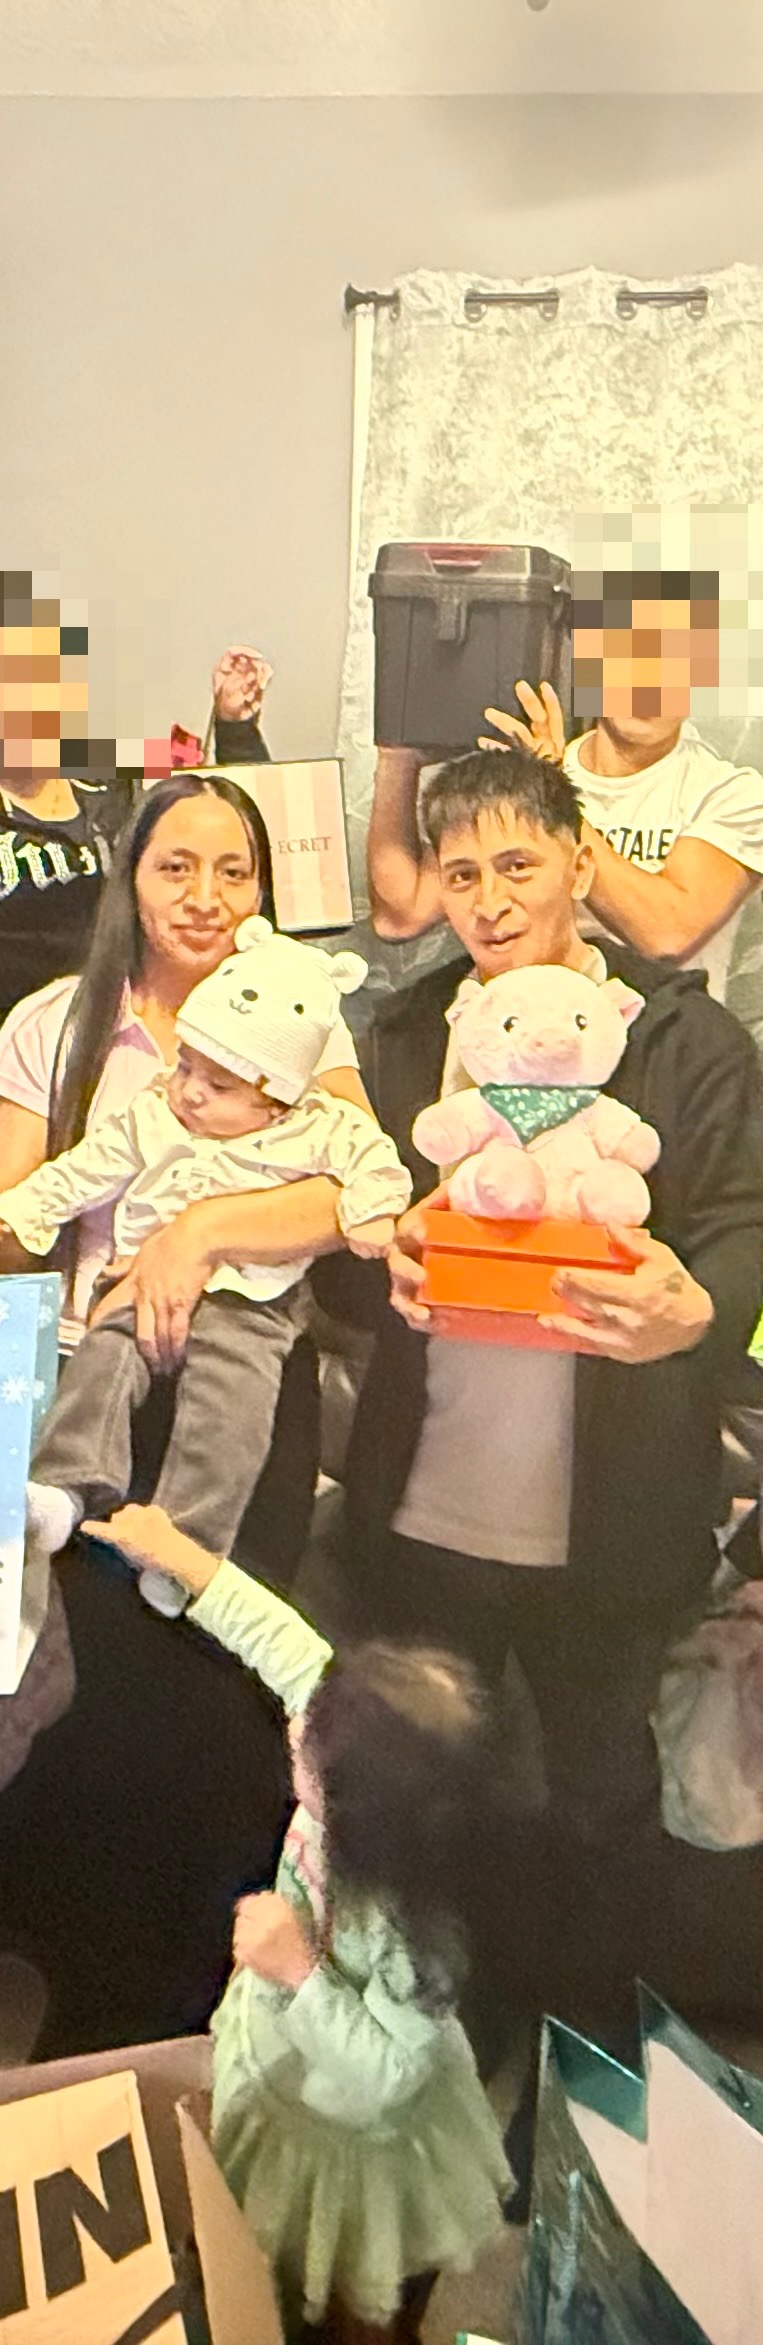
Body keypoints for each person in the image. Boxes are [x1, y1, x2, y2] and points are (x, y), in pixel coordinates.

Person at [345, 741, 763, 2182]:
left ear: (580, 862)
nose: (488, 898)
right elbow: (344, 1220)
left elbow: (741, 1222)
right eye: (458, 870)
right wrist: (378, 1250)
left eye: (517, 862)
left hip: (614, 1516)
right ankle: (454, 2046)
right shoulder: (406, 1033)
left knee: (598, 1803)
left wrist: (696, 1309)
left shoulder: (682, 1042)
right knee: (436, 1794)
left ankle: (586, 2077)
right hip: (424, 1507)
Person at [77, 1500, 530, 2344]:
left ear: (367, 1817)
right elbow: (288, 1648)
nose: (294, 1726)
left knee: (327, 2282)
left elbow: (388, 2070)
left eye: (307, 1752)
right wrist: (184, 1558)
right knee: (241, 2227)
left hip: (341, 2137)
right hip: (275, 2066)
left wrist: (299, 1972)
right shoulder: (356, 1738)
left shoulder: (412, 1933)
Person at [0, 921, 410, 1607]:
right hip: (137, 1283)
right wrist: (24, 1209)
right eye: (186, 1065)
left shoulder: (318, 1124)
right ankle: (65, 1485)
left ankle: (187, 1546)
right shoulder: (156, 1111)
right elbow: (82, 1169)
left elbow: (377, 1166)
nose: (189, 1090)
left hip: (251, 1303)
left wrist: (369, 1212)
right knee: (104, 1358)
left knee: (229, 1411)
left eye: (217, 1084)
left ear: (273, 1100)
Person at [0, 771, 371, 1356]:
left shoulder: (299, 1023)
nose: (204, 900)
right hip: (82, 1347)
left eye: (233, 874)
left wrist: (196, 1236)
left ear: (260, 896)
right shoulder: (52, 1021)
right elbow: (15, 1225)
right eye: (176, 869)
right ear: (132, 880)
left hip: (250, 1345)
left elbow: (356, 1185)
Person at [366, 569, 763, 1024]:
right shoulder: (526, 770)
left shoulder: (730, 794)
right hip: (524, 1037)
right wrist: (397, 758)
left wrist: (552, 783)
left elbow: (667, 934)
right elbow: (401, 915)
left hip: (660, 1040)